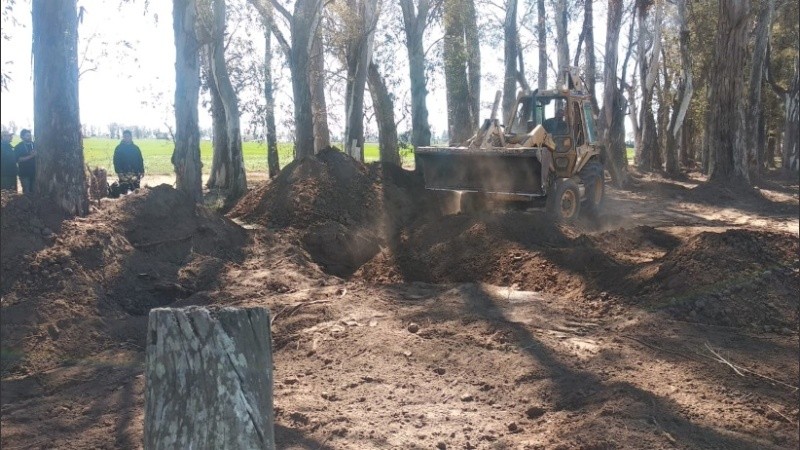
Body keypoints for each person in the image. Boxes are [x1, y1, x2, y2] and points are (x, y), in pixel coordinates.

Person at [14, 129, 36, 194]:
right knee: (27, 193)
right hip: (24, 173)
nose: (30, 137)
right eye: (27, 135)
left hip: (35, 173)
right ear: (22, 137)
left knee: (35, 192)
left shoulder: (34, 145)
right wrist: (31, 156)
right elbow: (18, 159)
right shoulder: (18, 147)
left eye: (30, 135)